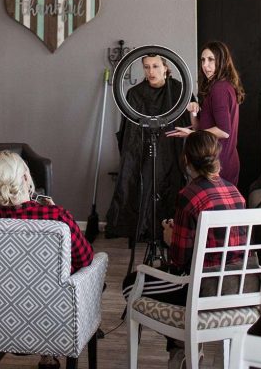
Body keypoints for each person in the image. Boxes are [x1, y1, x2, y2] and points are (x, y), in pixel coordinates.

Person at [122, 131, 247, 307]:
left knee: (130, 285)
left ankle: (177, 324)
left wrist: (170, 238)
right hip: (237, 283)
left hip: (201, 285)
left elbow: (179, 260)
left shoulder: (189, 196)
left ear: (186, 159)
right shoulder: (236, 192)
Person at [105, 53, 193, 241]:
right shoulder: (134, 94)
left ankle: (169, 231)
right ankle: (145, 228)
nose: (151, 71)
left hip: (172, 150)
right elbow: (129, 134)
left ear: (165, 67)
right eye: (146, 67)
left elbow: (192, 124)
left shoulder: (179, 91)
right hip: (143, 150)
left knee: (172, 184)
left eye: (155, 66)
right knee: (143, 183)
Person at [0, 149, 93, 274]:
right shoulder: (58, 216)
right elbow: (85, 259)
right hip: (47, 286)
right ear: (26, 177)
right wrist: (55, 213)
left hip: (0, 285)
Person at [167, 40, 244, 186]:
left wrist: (191, 134)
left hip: (220, 164)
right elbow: (200, 128)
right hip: (215, 161)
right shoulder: (217, 86)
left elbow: (224, 131)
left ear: (222, 61)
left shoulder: (220, 89)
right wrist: (194, 112)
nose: (205, 65)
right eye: (203, 60)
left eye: (210, 60)